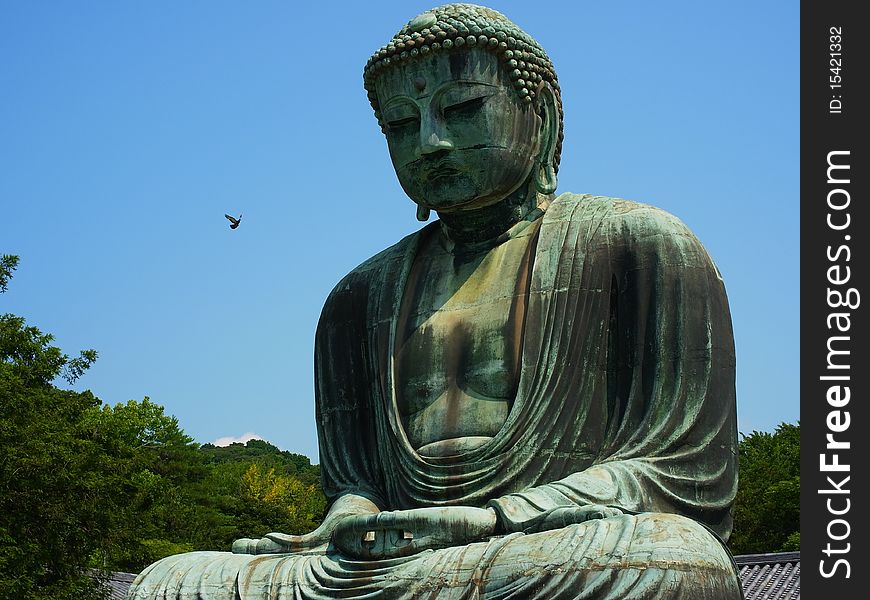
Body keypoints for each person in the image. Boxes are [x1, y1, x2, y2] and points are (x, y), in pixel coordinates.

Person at [127, 4, 743, 598]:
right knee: (170, 583)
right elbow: (356, 483)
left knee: (676, 562)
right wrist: (352, 517)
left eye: (463, 109)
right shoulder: (358, 297)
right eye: (399, 124)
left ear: (543, 114)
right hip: (390, 561)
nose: (429, 143)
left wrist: (495, 518)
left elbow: (685, 477)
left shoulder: (638, 246)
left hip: (542, 545)